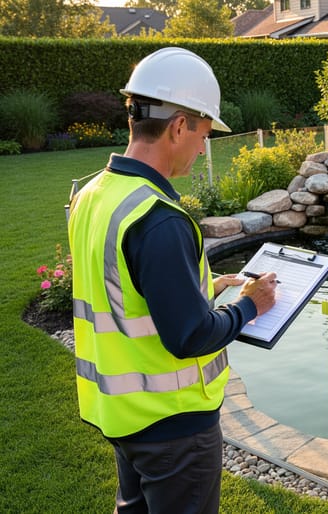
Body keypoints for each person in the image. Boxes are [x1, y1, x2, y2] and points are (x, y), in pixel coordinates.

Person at [67, 47, 278, 513]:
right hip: (174, 426)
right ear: (179, 125)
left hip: (123, 414)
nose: (203, 147)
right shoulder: (159, 218)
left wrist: (207, 288)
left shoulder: (93, 196)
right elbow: (191, 336)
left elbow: (124, 290)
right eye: (203, 134)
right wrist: (250, 304)